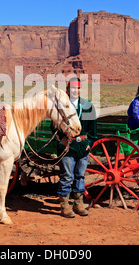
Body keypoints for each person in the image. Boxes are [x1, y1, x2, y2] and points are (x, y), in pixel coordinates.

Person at [52, 77, 97, 218]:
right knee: (66, 176)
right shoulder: (61, 106)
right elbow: (52, 127)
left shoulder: (88, 105)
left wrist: (89, 143)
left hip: (83, 146)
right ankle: (65, 206)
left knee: (80, 175)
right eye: (72, 88)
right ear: (67, 90)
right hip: (67, 147)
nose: (75, 91)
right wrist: (61, 140)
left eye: (77, 88)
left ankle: (79, 204)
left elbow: (93, 129)